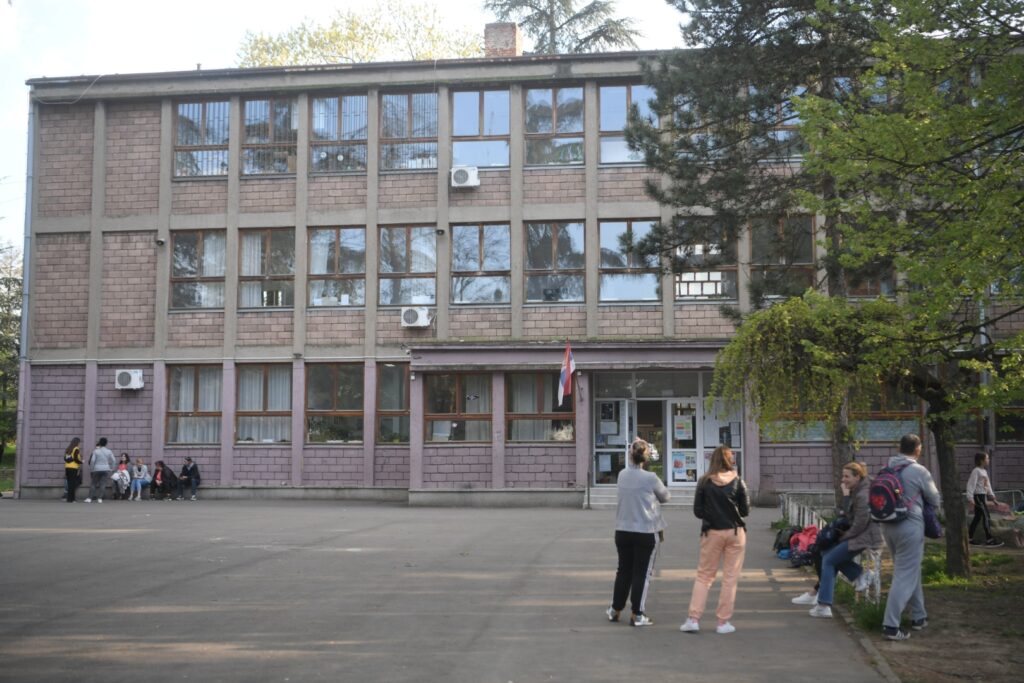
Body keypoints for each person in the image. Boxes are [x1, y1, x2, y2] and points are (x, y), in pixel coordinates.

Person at [680, 445, 750, 635]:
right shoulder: (738, 481)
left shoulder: (704, 482)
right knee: (730, 578)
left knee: (704, 576)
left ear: (712, 460)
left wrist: (711, 515)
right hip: (735, 533)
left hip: (712, 533)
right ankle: (722, 623)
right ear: (730, 460)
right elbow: (745, 511)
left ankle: (693, 619)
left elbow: (698, 511)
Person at [802, 462, 883, 618]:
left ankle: (824, 605)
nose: (843, 479)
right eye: (843, 475)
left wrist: (845, 536)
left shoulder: (862, 494)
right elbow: (847, 514)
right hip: (860, 534)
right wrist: (845, 496)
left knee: (829, 559)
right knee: (827, 553)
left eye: (847, 476)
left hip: (866, 537)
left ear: (858, 477)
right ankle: (860, 575)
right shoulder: (857, 490)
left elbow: (860, 523)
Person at [881, 434, 941, 641]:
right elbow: (934, 497)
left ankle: (919, 617)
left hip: (888, 525)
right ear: (917, 449)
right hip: (910, 526)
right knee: (904, 575)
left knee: (908, 570)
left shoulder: (888, 467)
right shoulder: (919, 470)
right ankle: (890, 625)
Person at [606, 439, 670, 627]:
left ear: (630, 455)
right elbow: (665, 497)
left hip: (622, 531)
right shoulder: (650, 478)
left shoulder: (621, 475)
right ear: (646, 457)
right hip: (645, 531)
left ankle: (615, 610)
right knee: (642, 573)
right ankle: (637, 614)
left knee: (623, 571)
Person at [967, 452, 1003, 548]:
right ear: (981, 460)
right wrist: (970, 498)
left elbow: (988, 486)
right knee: (986, 516)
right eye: (987, 458)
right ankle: (989, 539)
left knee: (977, 517)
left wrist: (993, 498)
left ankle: (969, 538)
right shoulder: (976, 471)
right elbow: (971, 485)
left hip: (983, 496)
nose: (988, 460)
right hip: (978, 497)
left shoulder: (984, 472)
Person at [85, 437, 115, 503]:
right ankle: (100, 499)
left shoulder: (96, 451)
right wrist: (112, 468)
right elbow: (113, 460)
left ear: (100, 443)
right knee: (103, 484)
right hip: (105, 469)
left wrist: (92, 469)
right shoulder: (109, 451)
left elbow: (92, 461)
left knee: (93, 483)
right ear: (106, 443)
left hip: (96, 469)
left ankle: (89, 498)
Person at [63, 437, 83, 503]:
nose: (79, 444)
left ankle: (69, 499)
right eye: (79, 443)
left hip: (67, 467)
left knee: (69, 484)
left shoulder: (68, 449)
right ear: (77, 443)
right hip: (73, 468)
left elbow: (65, 458)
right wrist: (81, 462)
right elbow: (76, 459)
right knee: (73, 484)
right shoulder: (76, 449)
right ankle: (73, 499)